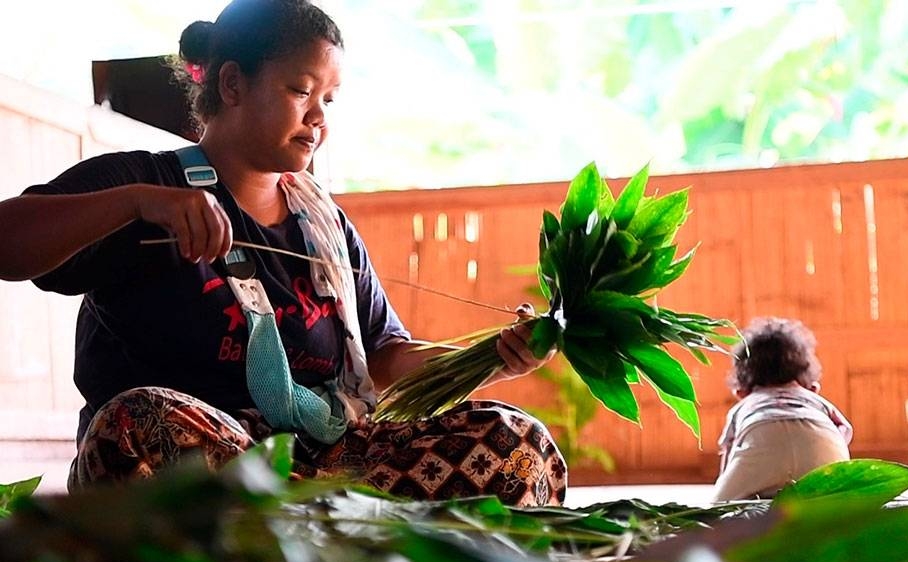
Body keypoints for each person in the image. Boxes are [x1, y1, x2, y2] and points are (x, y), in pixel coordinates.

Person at [0, 0, 566, 506]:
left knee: (517, 445)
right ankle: (309, 543)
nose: (318, 117)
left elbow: (385, 356)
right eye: (301, 92)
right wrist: (138, 204)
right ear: (232, 84)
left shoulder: (325, 227)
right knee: (135, 423)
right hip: (204, 462)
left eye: (329, 99)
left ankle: (308, 538)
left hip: (327, 466)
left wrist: (493, 355)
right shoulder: (145, 184)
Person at [712, 317, 852, 502]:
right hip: (822, 452)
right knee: (834, 497)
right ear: (813, 387)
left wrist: (723, 489)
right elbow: (844, 428)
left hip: (761, 437)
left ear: (741, 392)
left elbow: (728, 448)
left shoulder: (746, 405)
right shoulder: (815, 400)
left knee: (719, 509)